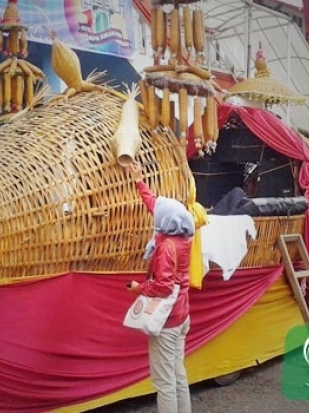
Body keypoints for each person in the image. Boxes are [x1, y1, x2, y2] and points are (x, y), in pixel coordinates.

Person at [124, 161, 194, 413]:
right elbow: (155, 205)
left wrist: (139, 288)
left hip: (168, 321)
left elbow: (163, 287)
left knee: (164, 383)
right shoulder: (184, 235)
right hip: (182, 315)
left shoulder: (165, 247)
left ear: (164, 221)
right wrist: (139, 180)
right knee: (178, 375)